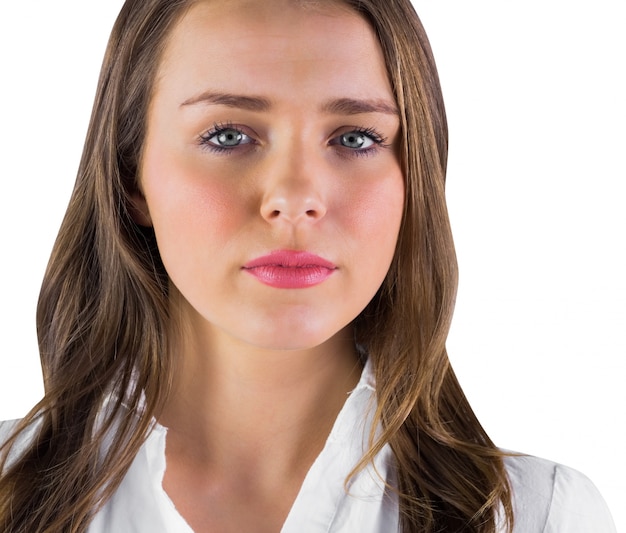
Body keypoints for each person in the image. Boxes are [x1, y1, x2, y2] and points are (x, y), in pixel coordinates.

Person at [0, 0, 617, 532]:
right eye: (227, 135)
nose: (294, 198)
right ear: (131, 175)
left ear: (416, 178)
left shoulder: (538, 517)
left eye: (354, 138)